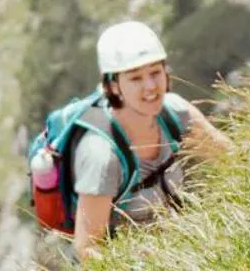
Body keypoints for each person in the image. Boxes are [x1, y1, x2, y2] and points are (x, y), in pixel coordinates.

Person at [70, 20, 231, 257]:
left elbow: (236, 162)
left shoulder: (177, 113)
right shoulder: (102, 155)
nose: (150, 86)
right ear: (113, 86)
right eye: (135, 78)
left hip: (189, 249)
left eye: (155, 72)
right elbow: (87, 249)